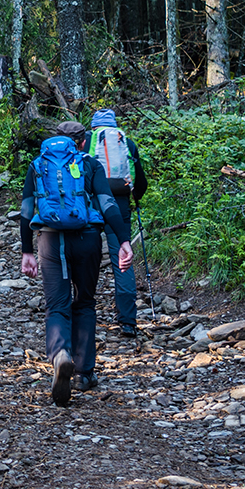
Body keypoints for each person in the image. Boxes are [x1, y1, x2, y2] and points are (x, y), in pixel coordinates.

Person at [19, 120, 133, 405]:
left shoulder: (38, 165)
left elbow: (26, 209)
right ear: (82, 142)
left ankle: (60, 354)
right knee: (84, 301)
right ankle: (84, 373)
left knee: (57, 305)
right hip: (87, 239)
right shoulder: (91, 164)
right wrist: (123, 241)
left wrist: (26, 251)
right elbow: (107, 204)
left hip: (50, 240)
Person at [84, 108, 148, 337]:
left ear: (93, 126)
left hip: (91, 201)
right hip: (119, 203)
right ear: (114, 125)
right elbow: (140, 180)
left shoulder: (87, 140)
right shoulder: (127, 143)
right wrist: (135, 197)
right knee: (122, 255)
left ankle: (83, 310)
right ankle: (128, 321)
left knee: (86, 256)